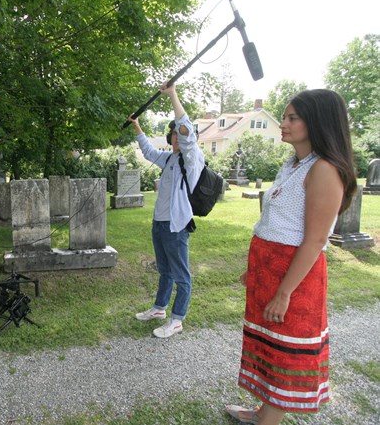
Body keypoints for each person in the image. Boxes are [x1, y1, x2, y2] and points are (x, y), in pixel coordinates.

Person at [225, 89, 357, 425]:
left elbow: (314, 240)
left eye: (292, 118)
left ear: (317, 122)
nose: (283, 124)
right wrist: (254, 269)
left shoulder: (325, 170)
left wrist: (284, 292)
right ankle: (262, 414)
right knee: (269, 345)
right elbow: (278, 223)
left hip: (294, 278)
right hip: (269, 270)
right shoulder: (294, 164)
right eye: (284, 117)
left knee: (285, 350)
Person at [128, 81, 205, 338]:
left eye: (178, 134)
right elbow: (149, 152)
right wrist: (138, 127)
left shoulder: (191, 158)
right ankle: (160, 309)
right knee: (165, 270)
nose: (176, 136)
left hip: (176, 224)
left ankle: (177, 319)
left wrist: (172, 95)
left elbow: (187, 132)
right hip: (160, 223)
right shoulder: (170, 158)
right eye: (172, 134)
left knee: (181, 275)